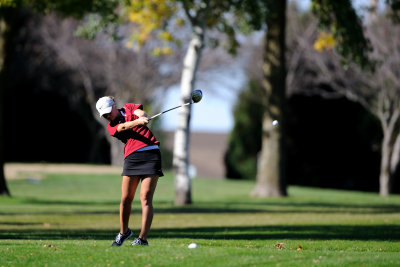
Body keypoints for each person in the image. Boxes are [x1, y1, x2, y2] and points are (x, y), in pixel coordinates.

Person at [96, 96, 163, 247]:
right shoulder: (112, 127)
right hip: (132, 157)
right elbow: (123, 127)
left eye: (108, 112)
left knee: (145, 198)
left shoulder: (129, 108)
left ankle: (142, 239)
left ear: (114, 105)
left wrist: (143, 117)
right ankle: (124, 232)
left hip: (151, 154)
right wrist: (137, 122)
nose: (107, 116)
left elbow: (141, 112)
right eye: (104, 115)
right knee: (126, 199)